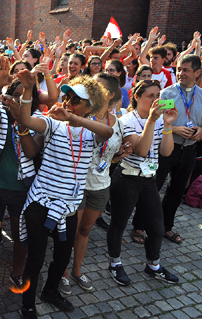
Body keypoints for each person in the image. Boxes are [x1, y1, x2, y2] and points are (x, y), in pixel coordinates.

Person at [0, 56, 58, 315]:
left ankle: (17, 275)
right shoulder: (2, 116)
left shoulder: (39, 122)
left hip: (23, 193)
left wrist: (23, 123)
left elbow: (30, 152)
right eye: (13, 96)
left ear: (32, 101)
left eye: (23, 96)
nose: (16, 101)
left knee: (20, 239)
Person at [18, 73, 112, 316]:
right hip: (42, 202)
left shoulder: (92, 132)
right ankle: (27, 304)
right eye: (67, 97)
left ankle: (50, 291)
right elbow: (26, 119)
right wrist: (29, 90)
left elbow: (108, 132)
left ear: (90, 106)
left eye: (75, 100)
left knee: (62, 257)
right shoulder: (53, 124)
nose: (68, 102)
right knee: (36, 258)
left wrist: (75, 119)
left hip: (69, 206)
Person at [58, 73, 131, 295]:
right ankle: (63, 272)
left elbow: (110, 156)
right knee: (70, 231)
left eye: (97, 88)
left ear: (109, 95)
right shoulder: (77, 116)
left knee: (85, 230)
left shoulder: (117, 123)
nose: (90, 89)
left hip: (100, 185)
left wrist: (119, 154)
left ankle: (77, 271)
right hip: (76, 184)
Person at [107, 80, 179, 287]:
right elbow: (141, 150)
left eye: (159, 96)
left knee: (156, 228)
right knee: (119, 225)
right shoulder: (127, 119)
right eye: (150, 96)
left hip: (149, 179)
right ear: (136, 97)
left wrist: (167, 125)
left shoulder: (158, 119)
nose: (156, 100)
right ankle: (115, 263)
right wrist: (152, 121)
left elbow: (166, 152)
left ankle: (153, 265)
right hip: (127, 178)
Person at [134, 55, 202, 245]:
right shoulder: (166, 94)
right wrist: (173, 129)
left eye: (186, 70)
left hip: (189, 150)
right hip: (166, 148)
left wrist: (200, 131)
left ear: (197, 73)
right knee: (152, 188)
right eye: (179, 69)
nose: (180, 73)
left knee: (176, 191)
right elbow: (153, 122)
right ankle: (139, 226)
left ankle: (166, 226)